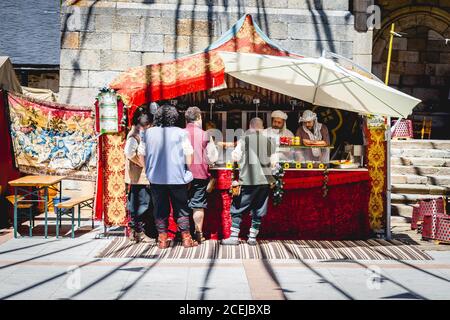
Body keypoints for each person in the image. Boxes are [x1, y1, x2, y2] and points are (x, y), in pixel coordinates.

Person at [138, 105, 198, 249]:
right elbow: (189, 156)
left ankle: (163, 240)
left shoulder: (147, 133)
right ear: (174, 117)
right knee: (181, 208)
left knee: (159, 209)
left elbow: (141, 155)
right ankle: (186, 239)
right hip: (177, 178)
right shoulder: (181, 133)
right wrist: (185, 169)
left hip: (156, 179)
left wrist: (148, 170)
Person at [222, 117, 277, 246]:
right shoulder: (269, 141)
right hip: (265, 181)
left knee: (238, 207)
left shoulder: (243, 140)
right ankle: (252, 238)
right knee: (258, 209)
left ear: (250, 127)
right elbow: (274, 163)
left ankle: (234, 237)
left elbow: (235, 157)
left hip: (247, 180)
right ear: (262, 128)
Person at [184, 107, 218, 244]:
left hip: (181, 175)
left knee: (182, 205)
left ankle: (184, 234)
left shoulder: (179, 133)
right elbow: (213, 157)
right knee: (198, 205)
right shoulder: (205, 135)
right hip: (199, 174)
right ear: (198, 118)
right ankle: (198, 233)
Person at [124, 107, 153, 243]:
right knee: (141, 205)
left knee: (137, 204)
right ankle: (138, 232)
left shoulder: (136, 133)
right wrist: (141, 163)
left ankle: (135, 232)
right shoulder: (135, 134)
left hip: (138, 177)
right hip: (139, 176)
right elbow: (129, 153)